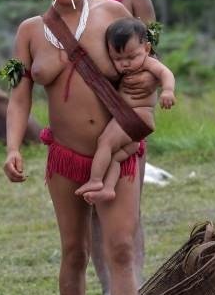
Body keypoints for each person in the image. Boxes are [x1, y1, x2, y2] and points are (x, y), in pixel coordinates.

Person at [3, 0, 152, 295]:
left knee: (122, 247)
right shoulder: (31, 31)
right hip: (65, 158)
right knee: (74, 251)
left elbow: (141, 68)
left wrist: (149, 102)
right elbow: (20, 97)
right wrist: (12, 146)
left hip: (119, 151)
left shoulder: (113, 13)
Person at [77, 0, 156, 295]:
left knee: (129, 197)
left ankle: (133, 280)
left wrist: (148, 84)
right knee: (94, 205)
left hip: (129, 109)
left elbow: (153, 46)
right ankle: (108, 285)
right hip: (91, 108)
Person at [75, 18, 174, 204]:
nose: (125, 64)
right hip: (137, 125)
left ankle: (95, 181)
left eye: (131, 57)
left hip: (135, 116)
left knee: (104, 143)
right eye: (118, 59)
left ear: (146, 49)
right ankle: (108, 189)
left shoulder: (148, 63)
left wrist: (167, 90)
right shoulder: (130, 65)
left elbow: (165, 73)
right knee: (114, 157)